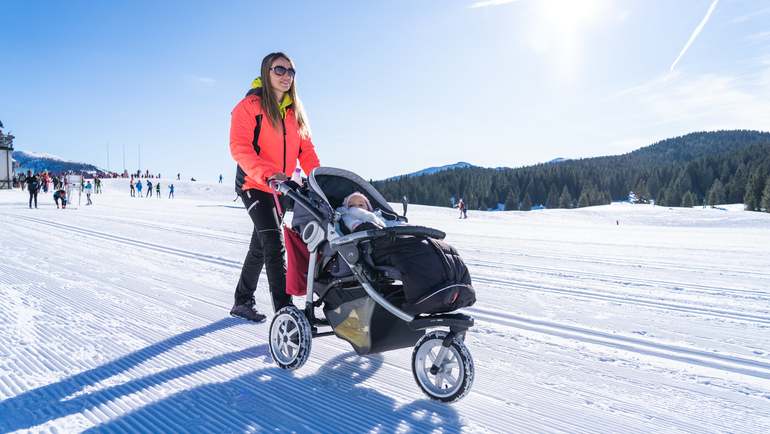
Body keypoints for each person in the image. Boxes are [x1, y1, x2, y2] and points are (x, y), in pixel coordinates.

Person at [228, 51, 321, 322]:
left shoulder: (295, 112)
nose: (286, 76)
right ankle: (286, 313)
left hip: (281, 188)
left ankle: (242, 301)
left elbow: (307, 152)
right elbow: (240, 148)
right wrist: (268, 174)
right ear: (266, 72)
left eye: (290, 71)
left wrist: (319, 180)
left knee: (260, 245)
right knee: (273, 243)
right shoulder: (250, 106)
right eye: (279, 70)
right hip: (253, 182)